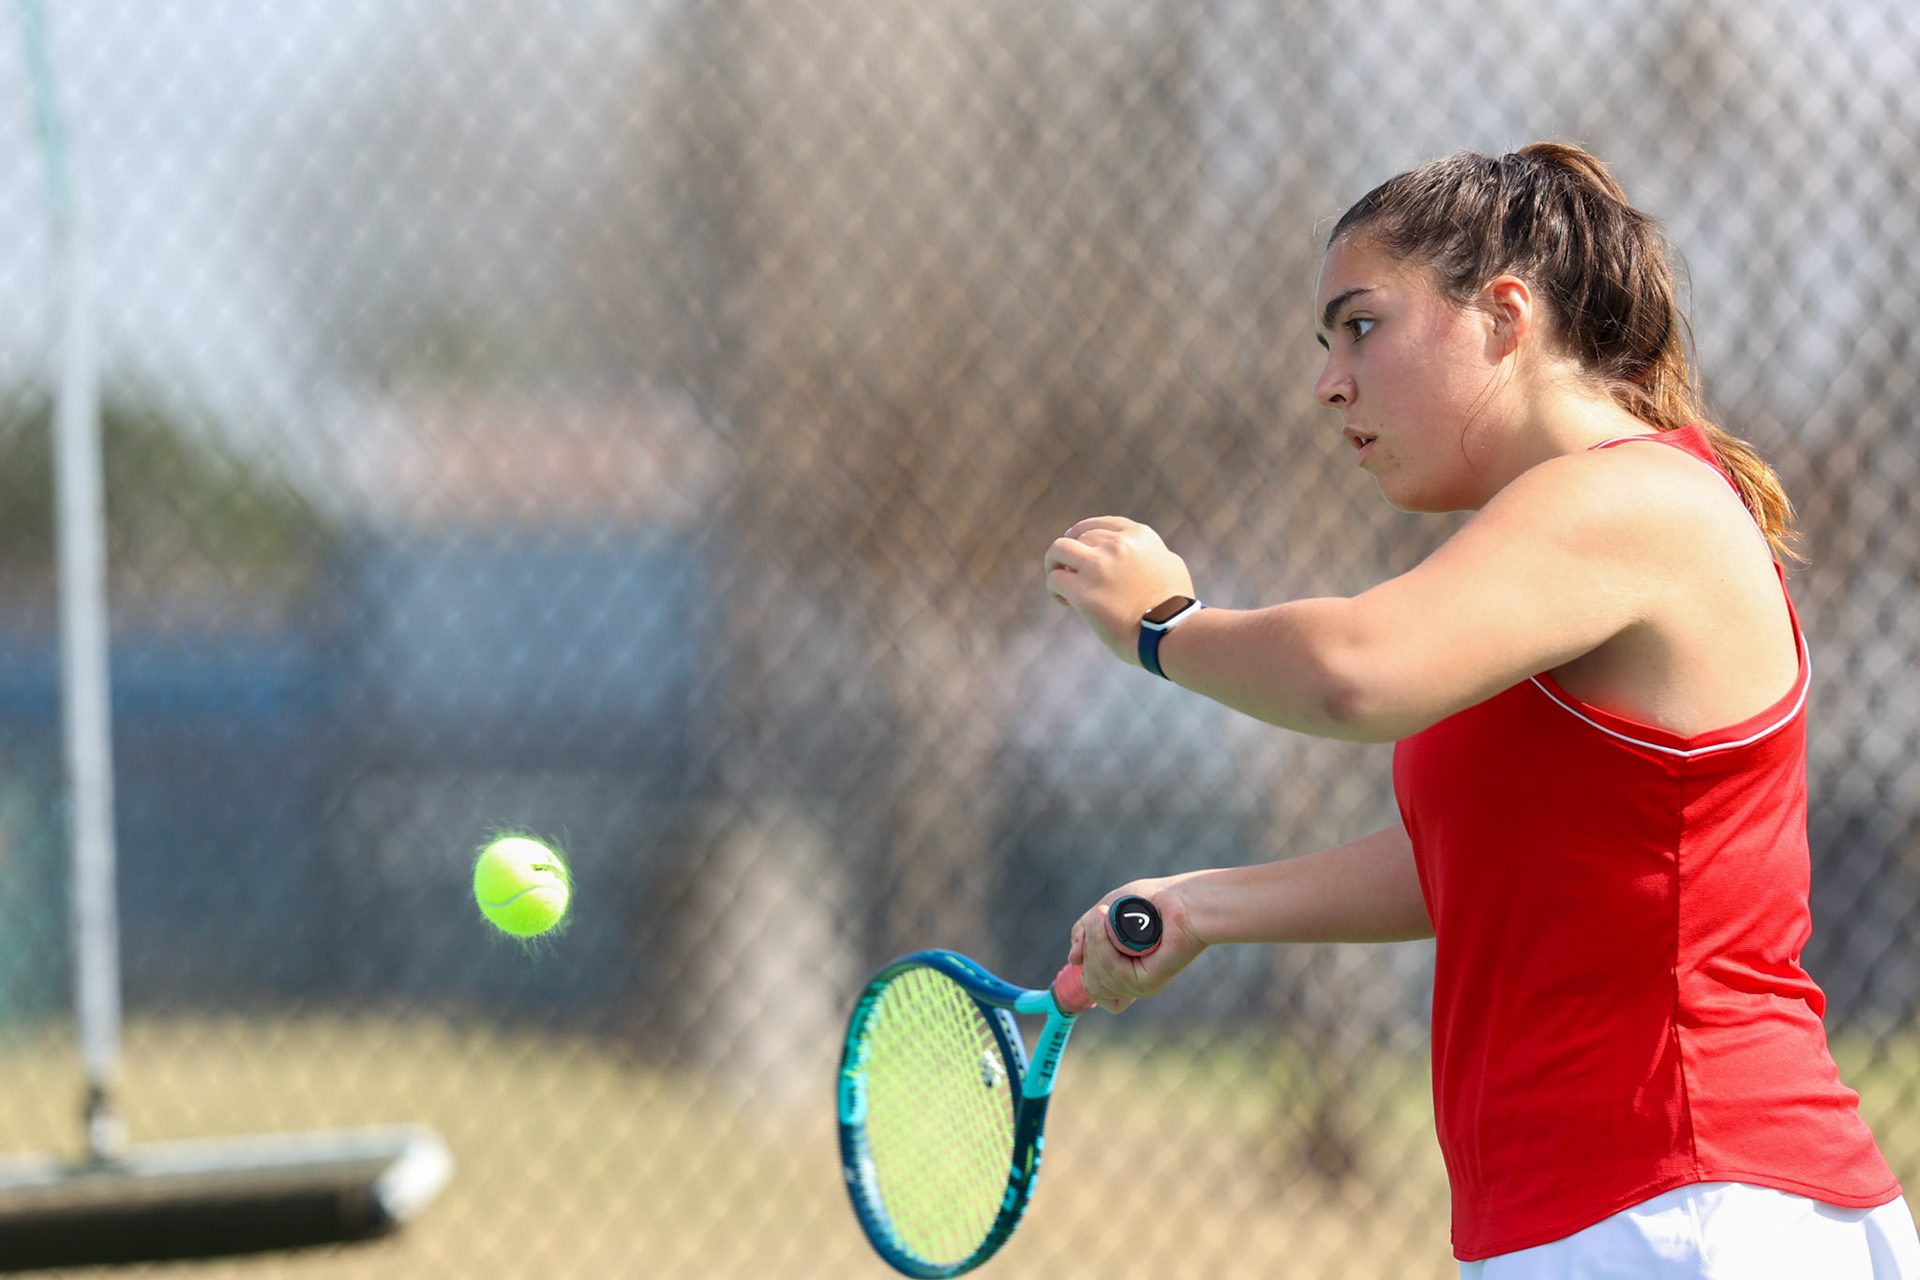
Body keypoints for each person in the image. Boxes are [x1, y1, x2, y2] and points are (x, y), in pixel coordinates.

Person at [1042, 142, 1919, 1279]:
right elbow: (1470, 853)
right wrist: (1205, 904)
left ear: (1505, 317)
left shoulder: (1636, 496)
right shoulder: (1556, 548)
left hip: (1699, 1204)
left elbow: (1352, 669)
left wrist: (1162, 625)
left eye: (1361, 325)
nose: (1329, 382)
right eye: (1326, 343)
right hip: (1606, 1217)